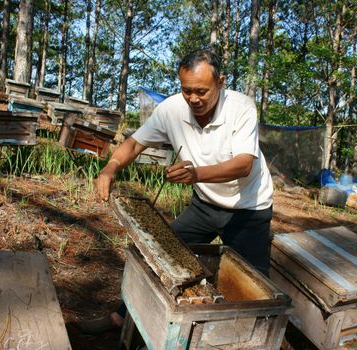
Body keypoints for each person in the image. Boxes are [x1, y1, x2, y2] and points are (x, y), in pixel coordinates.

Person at [79, 49, 274, 334]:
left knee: (257, 291)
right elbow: (134, 144)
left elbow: (243, 165)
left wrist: (196, 174)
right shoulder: (172, 109)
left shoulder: (241, 107)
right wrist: (111, 167)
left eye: (202, 91)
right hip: (204, 205)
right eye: (186, 90)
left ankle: (252, 337)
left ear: (221, 81)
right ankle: (121, 316)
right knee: (155, 255)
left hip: (248, 210)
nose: (194, 98)